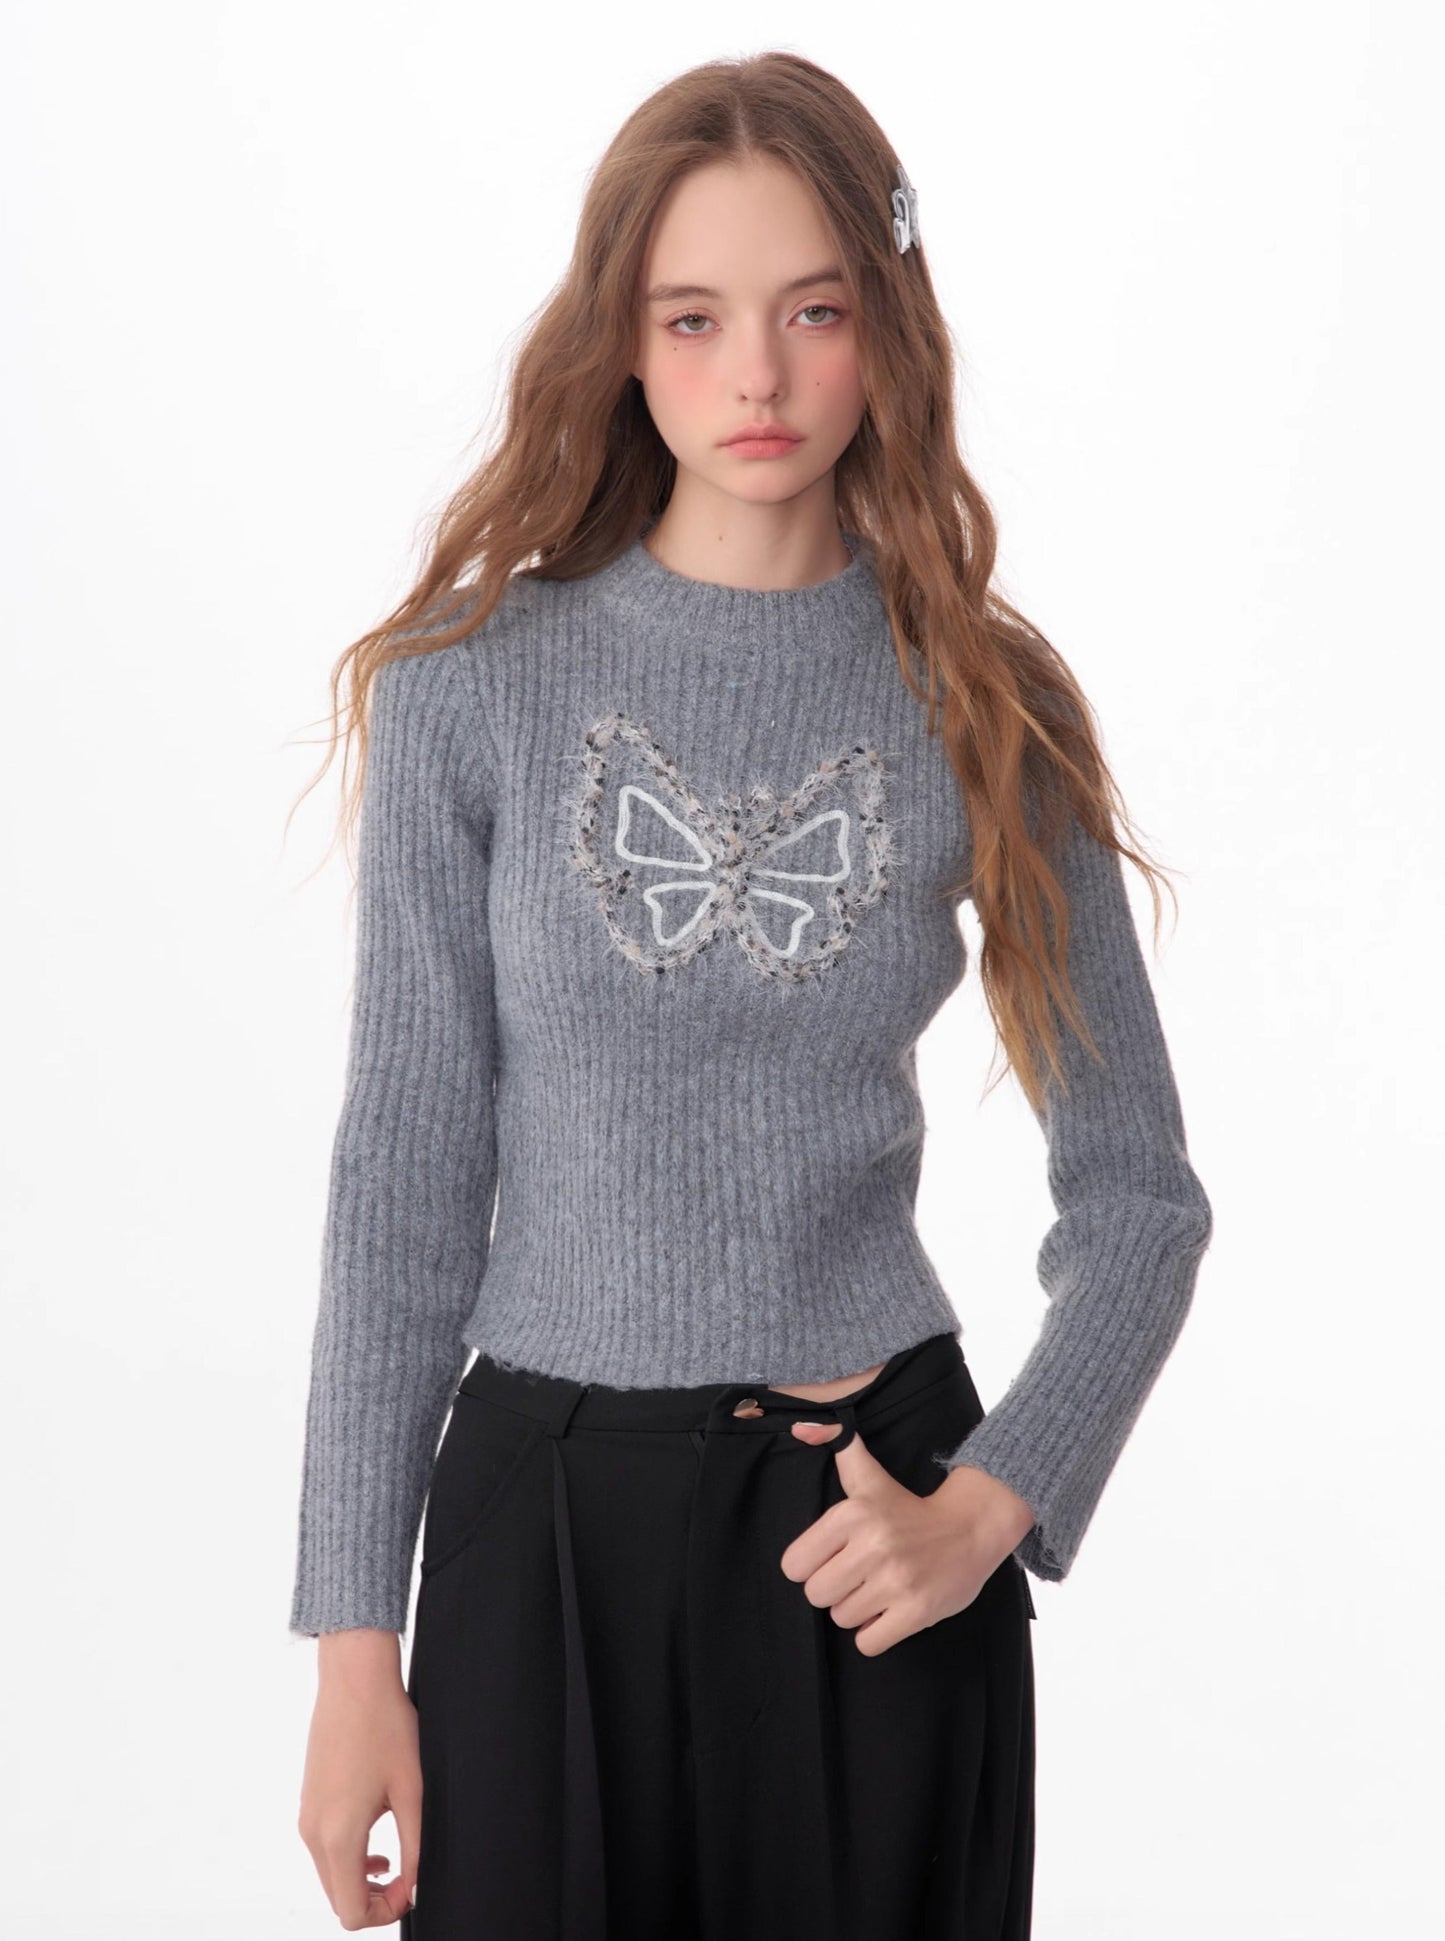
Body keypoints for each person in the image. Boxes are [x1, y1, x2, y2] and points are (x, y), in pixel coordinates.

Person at [289, 49, 1213, 1941]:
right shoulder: (472, 687)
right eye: (693, 318)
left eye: (814, 311)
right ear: (621, 340)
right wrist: (350, 1648)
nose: (758, 378)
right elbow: (402, 1186)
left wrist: (991, 1504)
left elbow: (1139, 1197)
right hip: (540, 1536)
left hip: (870, 1530)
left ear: (888, 323)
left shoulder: (986, 703)